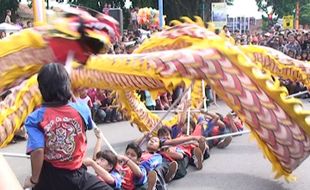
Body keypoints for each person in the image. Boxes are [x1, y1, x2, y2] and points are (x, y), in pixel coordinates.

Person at [23, 63, 112, 190]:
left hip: (51, 178)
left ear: (41, 89)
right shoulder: (82, 109)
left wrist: (33, 180)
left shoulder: (35, 118)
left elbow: (37, 151)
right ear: (67, 86)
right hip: (78, 174)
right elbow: (87, 125)